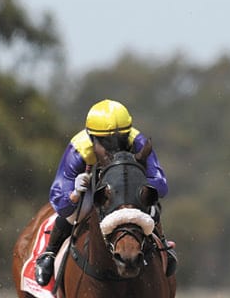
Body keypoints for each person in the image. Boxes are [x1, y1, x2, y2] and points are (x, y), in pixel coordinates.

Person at [33, 99, 174, 285]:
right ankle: (50, 252)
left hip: (127, 187)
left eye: (120, 139)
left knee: (149, 204)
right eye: (106, 141)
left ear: (128, 133)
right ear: (92, 137)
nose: (114, 146)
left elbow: (161, 186)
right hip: (93, 186)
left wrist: (140, 182)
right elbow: (60, 203)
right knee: (78, 211)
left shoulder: (138, 141)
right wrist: (74, 193)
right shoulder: (79, 149)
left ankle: (162, 245)